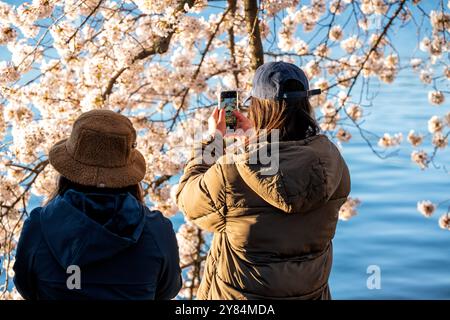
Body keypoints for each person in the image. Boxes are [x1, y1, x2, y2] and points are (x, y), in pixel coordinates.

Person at [176, 61, 351, 300]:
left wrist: (214, 141)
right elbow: (281, 167)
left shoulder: (231, 174)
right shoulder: (332, 162)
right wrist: (254, 141)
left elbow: (188, 200)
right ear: (305, 105)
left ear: (259, 108)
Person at [13, 110, 181, 300]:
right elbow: (168, 290)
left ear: (67, 171)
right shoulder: (157, 230)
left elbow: (26, 286)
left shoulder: (39, 226)